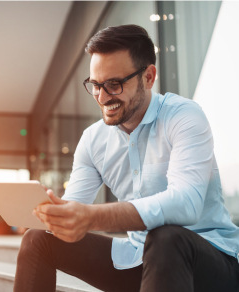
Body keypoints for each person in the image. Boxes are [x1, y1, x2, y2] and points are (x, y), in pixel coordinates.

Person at [13, 24, 239, 292]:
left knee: (166, 236)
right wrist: (53, 217)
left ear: (149, 77)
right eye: (95, 85)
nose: (102, 96)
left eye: (114, 84)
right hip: (139, 259)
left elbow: (185, 204)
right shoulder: (93, 140)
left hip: (210, 261)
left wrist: (92, 217)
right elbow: (74, 208)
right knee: (38, 239)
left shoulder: (184, 116)